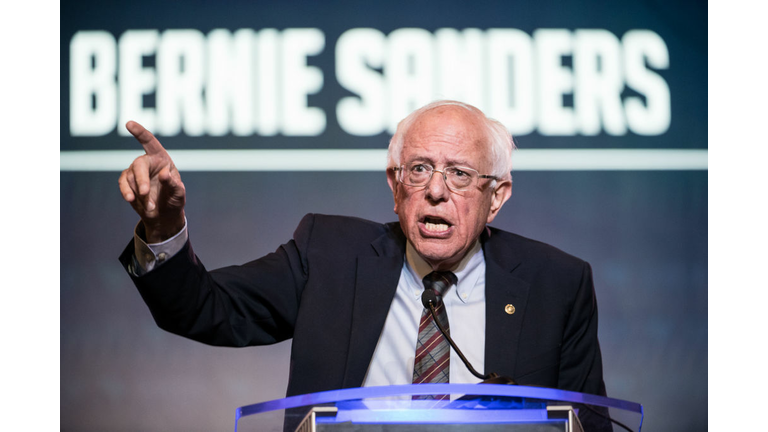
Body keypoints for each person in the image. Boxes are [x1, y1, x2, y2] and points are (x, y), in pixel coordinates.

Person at [118, 100, 608, 426]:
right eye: (419, 170)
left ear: (496, 196)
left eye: (459, 174)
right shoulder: (328, 254)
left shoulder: (556, 284)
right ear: (395, 186)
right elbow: (203, 308)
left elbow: (589, 424)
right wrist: (163, 229)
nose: (436, 191)